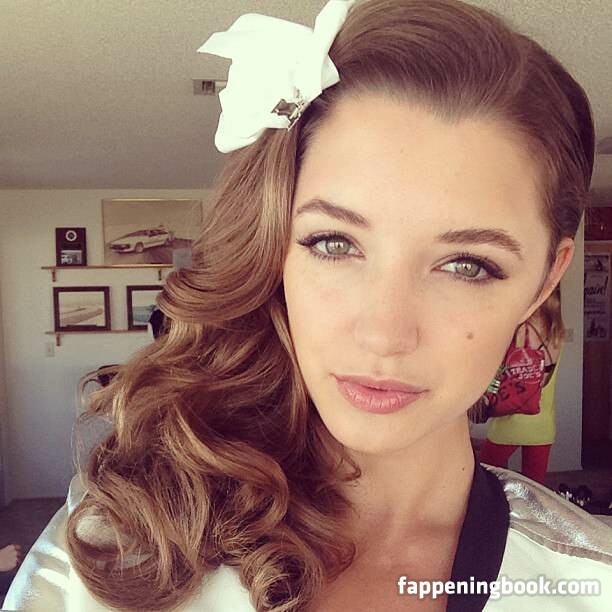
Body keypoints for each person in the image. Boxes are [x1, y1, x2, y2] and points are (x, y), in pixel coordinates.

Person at [5, 0, 612, 610]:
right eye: (335, 244)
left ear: (544, 281)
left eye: (467, 265)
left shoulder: (587, 583)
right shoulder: (117, 552)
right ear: (275, 250)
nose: (384, 334)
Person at [479, 286, 565, 485]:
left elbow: (499, 370)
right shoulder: (557, 333)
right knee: (534, 490)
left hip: (510, 422)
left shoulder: (518, 330)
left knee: (482, 479)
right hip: (542, 424)